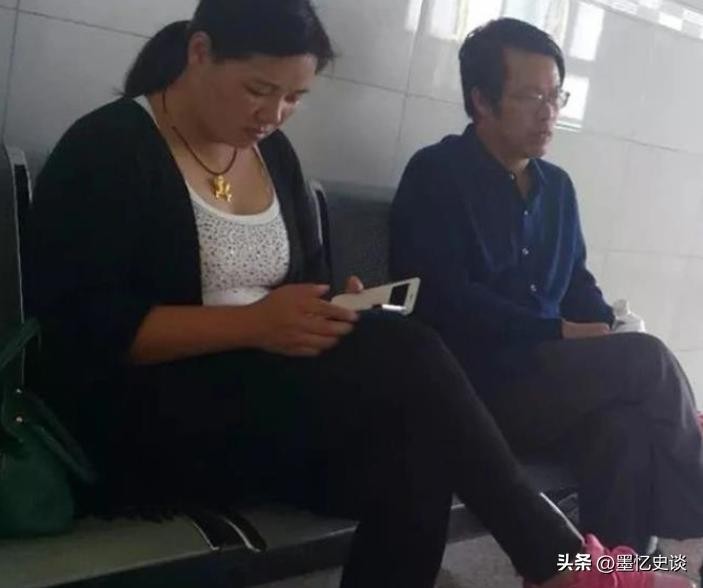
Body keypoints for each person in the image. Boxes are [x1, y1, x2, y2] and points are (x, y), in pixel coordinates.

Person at [26, 2, 690, 586]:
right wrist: (256, 325)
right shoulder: (111, 148)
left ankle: (593, 566)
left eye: (294, 97)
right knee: (412, 351)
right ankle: (553, 559)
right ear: (200, 52)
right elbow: (81, 332)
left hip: (261, 397)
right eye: (259, 89)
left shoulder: (272, 156)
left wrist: (329, 305)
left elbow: (295, 287)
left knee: (420, 446)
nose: (273, 114)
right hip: (146, 414)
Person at [390, 15, 703, 575]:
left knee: (624, 431)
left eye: (556, 95)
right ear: (481, 100)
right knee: (647, 361)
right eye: (531, 96)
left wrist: (605, 326)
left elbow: (575, 282)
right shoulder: (436, 174)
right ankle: (695, 513)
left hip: (550, 385)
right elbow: (442, 298)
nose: (549, 112)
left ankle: (605, 576)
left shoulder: (556, 187)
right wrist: (556, 331)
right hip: (472, 388)